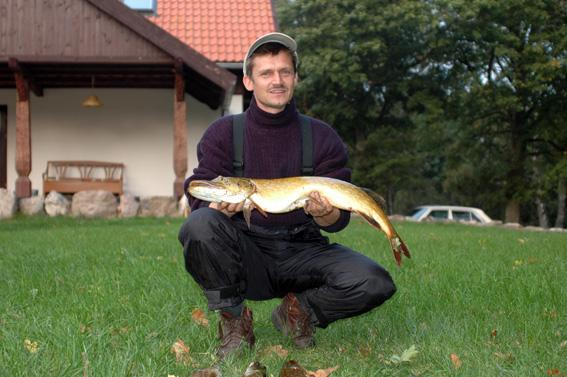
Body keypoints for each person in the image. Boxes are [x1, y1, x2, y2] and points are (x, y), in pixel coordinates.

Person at [178, 32, 396, 358]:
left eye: (285, 72)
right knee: (200, 225)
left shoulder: (322, 136)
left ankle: (298, 312)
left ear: (295, 78)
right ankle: (235, 323)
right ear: (249, 82)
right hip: (247, 253)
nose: (277, 80)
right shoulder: (224, 133)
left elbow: (338, 221)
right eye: (266, 73)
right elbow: (199, 189)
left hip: (303, 251)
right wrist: (215, 207)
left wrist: (326, 213)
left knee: (375, 282)